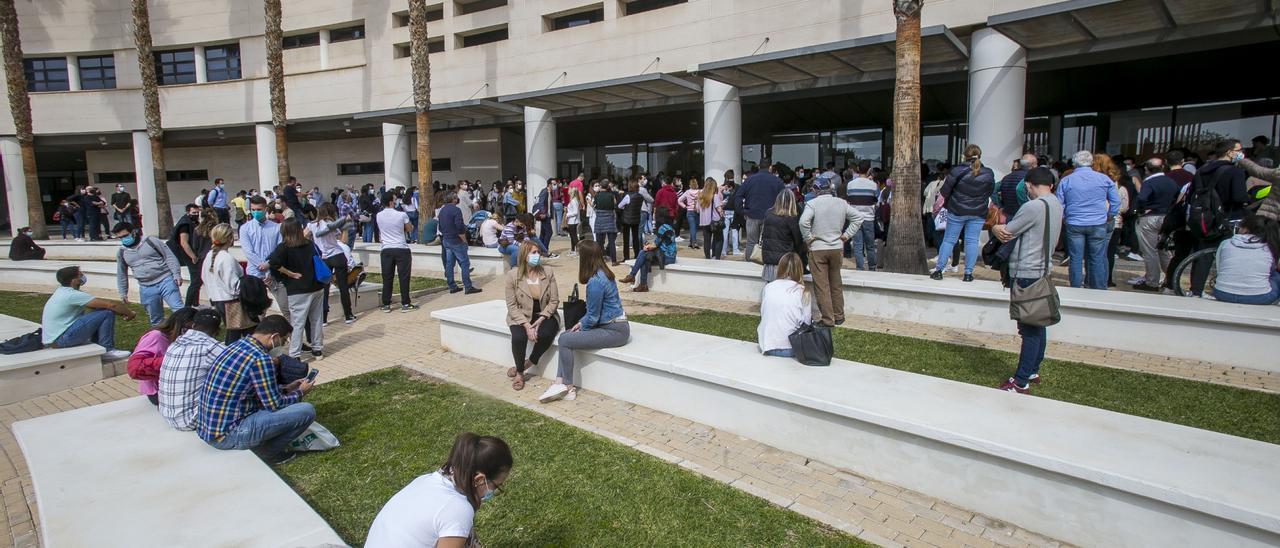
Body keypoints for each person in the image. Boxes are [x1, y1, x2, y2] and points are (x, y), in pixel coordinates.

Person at [197, 314, 315, 465]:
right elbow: (274, 404)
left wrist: (287, 388)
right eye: (284, 340)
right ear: (274, 337)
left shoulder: (236, 346)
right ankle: (267, 454)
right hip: (229, 434)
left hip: (210, 431)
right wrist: (300, 392)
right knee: (306, 411)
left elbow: (260, 392)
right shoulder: (261, 359)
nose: (283, 344)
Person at [366, 433, 512, 548]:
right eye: (496, 485)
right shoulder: (458, 509)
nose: (493, 491)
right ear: (479, 480)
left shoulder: (426, 480)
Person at [991, 167, 1064, 394]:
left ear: (1030, 185)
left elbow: (1007, 232)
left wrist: (994, 227)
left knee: (1029, 329)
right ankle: (1032, 369)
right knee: (1037, 324)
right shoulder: (1055, 203)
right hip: (1042, 270)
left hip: (1026, 272)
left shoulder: (1032, 207)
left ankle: (1021, 381)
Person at [541, 241, 629, 404]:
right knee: (566, 336)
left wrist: (582, 325)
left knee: (565, 339)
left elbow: (593, 317)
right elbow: (594, 315)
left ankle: (568, 387)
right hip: (614, 326)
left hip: (614, 330)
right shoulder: (604, 273)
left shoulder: (596, 281)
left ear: (586, 258)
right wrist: (581, 324)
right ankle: (558, 383)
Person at [1187, 140, 1252, 296]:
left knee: (1203, 255)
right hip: (1228, 217)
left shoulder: (1202, 170)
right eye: (1239, 150)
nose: (1241, 153)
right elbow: (1238, 197)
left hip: (1204, 217)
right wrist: (1249, 198)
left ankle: (1195, 290)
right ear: (1230, 152)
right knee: (1229, 255)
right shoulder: (1235, 172)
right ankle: (1226, 289)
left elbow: (1191, 195)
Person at [800, 176, 864, 327]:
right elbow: (858, 217)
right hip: (836, 247)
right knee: (836, 282)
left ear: (816, 190)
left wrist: (808, 238)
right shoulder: (841, 203)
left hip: (818, 248)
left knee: (822, 285)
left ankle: (828, 319)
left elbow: (803, 222)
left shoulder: (812, 204)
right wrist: (846, 235)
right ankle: (839, 315)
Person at [1054, 150, 1120, 290]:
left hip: (1074, 223)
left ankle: (1076, 287)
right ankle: (1097, 289)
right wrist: (1110, 215)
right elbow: (1115, 200)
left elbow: (1059, 203)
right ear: (1091, 162)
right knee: (1097, 257)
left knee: (1075, 258)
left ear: (1074, 163)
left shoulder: (1067, 180)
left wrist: (1065, 217)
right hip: (1098, 223)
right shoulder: (1104, 179)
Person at [41, 266, 135, 361]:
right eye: (80, 275)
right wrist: (130, 314)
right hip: (62, 340)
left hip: (54, 340)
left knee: (101, 312)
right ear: (74, 281)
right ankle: (107, 350)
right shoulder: (72, 295)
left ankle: (99, 346)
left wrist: (121, 313)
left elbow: (96, 306)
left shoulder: (62, 291)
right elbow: (111, 305)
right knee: (106, 313)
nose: (83, 277)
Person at [930, 145, 995, 282]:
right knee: (972, 241)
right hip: (978, 212)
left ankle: (939, 270)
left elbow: (945, 191)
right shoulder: (988, 173)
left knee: (949, 240)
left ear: (965, 155)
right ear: (980, 155)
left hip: (957, 210)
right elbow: (990, 192)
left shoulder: (957, 170)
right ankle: (968, 274)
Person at [503, 241, 560, 391]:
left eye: (538, 252)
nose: (537, 255)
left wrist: (541, 319)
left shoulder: (547, 272)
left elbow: (554, 300)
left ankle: (530, 362)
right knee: (519, 338)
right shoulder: (512, 275)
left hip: (544, 313)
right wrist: (527, 326)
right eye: (533, 253)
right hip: (521, 315)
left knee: (546, 334)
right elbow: (511, 306)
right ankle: (520, 373)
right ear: (524, 255)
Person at [159, 308, 226, 430]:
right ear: (217, 330)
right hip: (191, 420)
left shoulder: (175, 343)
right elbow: (241, 363)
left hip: (167, 414)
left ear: (193, 325)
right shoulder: (210, 347)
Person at [267, 219, 325, 359]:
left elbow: (273, 263)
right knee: (316, 319)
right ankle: (317, 349)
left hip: (297, 290)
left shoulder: (284, 247)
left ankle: (295, 353)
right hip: (316, 286)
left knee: (297, 323)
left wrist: (289, 273)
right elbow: (320, 255)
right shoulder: (309, 244)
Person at [114, 222, 184, 326]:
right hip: (146, 286)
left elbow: (169, 256)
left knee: (179, 310)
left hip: (165, 279)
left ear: (133, 232)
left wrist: (176, 274)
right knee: (155, 318)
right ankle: (160, 338)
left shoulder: (151, 241)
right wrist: (123, 292)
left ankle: (188, 333)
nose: (124, 239)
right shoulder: (122, 252)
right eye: (120, 237)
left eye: (125, 235)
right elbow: (121, 272)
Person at [128, 307, 197, 405]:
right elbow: (135, 367)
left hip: (175, 385)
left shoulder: (180, 339)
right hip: (158, 392)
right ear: (179, 325)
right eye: (188, 329)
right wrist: (172, 361)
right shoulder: (156, 336)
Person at [1132, 158, 1178, 291]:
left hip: (1150, 217)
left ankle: (1152, 281)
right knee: (1164, 250)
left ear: (1147, 169)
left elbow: (1141, 198)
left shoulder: (1149, 182)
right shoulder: (1171, 182)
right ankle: (1170, 279)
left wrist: (1141, 210)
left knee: (1149, 251)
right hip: (1166, 217)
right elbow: (1177, 197)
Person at [1211, 215, 1280, 305]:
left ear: (1246, 229)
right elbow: (1270, 270)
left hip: (1222, 293)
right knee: (1276, 275)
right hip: (1260, 298)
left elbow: (1219, 268)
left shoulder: (1226, 243)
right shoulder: (1270, 247)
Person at [308, 203, 357, 324]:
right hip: (337, 255)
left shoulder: (312, 225)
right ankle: (348, 315)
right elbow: (343, 240)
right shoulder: (331, 225)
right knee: (343, 286)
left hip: (324, 258)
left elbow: (304, 236)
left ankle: (324, 318)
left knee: (324, 288)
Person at [203, 224, 252, 343]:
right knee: (236, 333)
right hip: (231, 301)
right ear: (229, 238)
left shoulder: (210, 255)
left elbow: (204, 277)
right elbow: (233, 285)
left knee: (236, 331)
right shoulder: (226, 258)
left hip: (217, 299)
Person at [757, 252, 811, 358]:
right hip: (792, 347)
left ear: (780, 268)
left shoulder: (768, 287)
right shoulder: (803, 291)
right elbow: (807, 322)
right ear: (800, 269)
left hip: (766, 345)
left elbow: (764, 313)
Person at [376, 192, 417, 312]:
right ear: (390, 202)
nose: (396, 202)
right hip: (401, 247)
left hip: (386, 249)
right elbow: (409, 228)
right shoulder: (401, 215)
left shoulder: (379, 215)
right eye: (394, 200)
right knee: (404, 277)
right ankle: (405, 303)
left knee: (387, 277)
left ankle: (386, 304)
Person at [620, 209, 677, 292]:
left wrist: (647, 247)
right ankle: (641, 284)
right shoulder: (667, 226)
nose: (653, 215)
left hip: (667, 257)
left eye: (654, 213)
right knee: (645, 256)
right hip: (669, 255)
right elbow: (658, 242)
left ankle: (634, 277)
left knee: (643, 253)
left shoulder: (662, 228)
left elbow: (655, 245)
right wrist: (648, 246)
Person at [738, 164, 786, 262]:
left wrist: (741, 211)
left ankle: (749, 264)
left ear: (759, 166)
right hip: (770, 217)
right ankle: (766, 262)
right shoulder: (777, 181)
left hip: (751, 215)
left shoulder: (749, 180)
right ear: (770, 167)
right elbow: (784, 198)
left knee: (751, 242)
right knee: (768, 242)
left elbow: (738, 195)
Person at [439, 192, 482, 295]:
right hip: (456, 240)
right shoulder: (456, 210)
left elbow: (440, 227)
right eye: (456, 198)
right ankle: (468, 286)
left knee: (449, 264)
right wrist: (464, 240)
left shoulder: (442, 210)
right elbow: (460, 227)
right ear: (454, 199)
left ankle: (452, 286)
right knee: (464, 263)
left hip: (446, 240)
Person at [761, 190, 805, 282]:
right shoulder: (791, 218)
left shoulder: (768, 213)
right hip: (785, 259)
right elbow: (798, 240)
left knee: (770, 285)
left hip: (769, 257)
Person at [845, 160, 879, 270]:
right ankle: (872, 268)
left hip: (855, 219)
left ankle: (860, 268)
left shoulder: (850, 185)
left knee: (858, 246)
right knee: (870, 246)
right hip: (869, 218)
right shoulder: (873, 185)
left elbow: (849, 200)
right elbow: (876, 201)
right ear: (869, 170)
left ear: (858, 169)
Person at [695, 177, 726, 260]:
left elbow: (697, 210)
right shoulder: (715, 196)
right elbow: (719, 209)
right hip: (715, 221)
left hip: (704, 222)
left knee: (707, 241)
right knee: (719, 239)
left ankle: (708, 258)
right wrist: (722, 214)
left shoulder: (700, 196)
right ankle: (716, 258)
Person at [592, 182, 619, 264]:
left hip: (600, 219)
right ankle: (614, 261)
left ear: (600, 186)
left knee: (599, 242)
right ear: (607, 187)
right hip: (610, 219)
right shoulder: (611, 195)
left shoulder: (597, 195)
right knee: (611, 241)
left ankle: (599, 260)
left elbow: (594, 206)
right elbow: (615, 204)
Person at [618, 181, 645, 261]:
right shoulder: (640, 196)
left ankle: (626, 257)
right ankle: (637, 254)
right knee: (635, 238)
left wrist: (625, 207)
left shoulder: (628, 196)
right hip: (636, 218)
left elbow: (620, 206)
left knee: (626, 239)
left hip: (627, 218)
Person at [677, 178, 702, 249]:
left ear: (690, 185)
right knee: (695, 228)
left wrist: (685, 206)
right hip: (697, 211)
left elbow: (679, 200)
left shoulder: (687, 192)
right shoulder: (700, 191)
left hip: (689, 211)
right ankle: (694, 242)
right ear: (697, 184)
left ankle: (692, 242)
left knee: (692, 227)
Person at [721, 180, 741, 256]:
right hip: (734, 212)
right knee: (734, 231)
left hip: (725, 212)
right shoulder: (736, 192)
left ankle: (723, 250)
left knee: (725, 232)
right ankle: (735, 250)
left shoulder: (723, 193)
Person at [564, 187, 583, 256]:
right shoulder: (574, 200)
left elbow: (575, 212)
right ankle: (573, 250)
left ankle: (579, 250)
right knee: (573, 236)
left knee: (574, 236)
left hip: (573, 221)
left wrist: (567, 215)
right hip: (573, 221)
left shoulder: (573, 201)